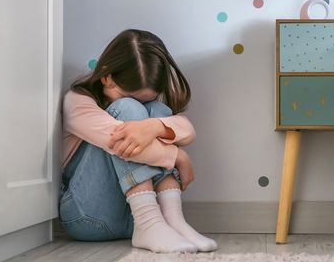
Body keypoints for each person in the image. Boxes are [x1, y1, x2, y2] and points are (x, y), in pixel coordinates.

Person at [59, 29, 217, 253]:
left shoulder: (150, 105)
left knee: (158, 111)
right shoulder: (77, 103)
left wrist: (154, 126)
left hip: (134, 217)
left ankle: (173, 220)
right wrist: (178, 155)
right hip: (88, 216)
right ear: (107, 76)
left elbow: (187, 129)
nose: (139, 106)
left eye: (146, 98)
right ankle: (149, 223)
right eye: (128, 93)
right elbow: (123, 142)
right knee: (127, 110)